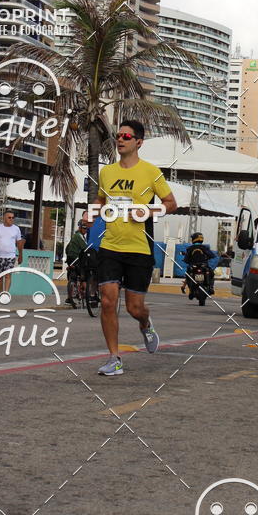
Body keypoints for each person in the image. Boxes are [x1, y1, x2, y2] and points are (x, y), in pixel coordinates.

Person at [90, 120, 177, 376]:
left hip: (139, 248)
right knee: (107, 301)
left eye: (126, 136)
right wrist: (92, 214)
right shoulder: (107, 172)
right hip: (110, 245)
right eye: (118, 136)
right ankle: (114, 358)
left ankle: (145, 323)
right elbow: (101, 199)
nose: (121, 139)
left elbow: (171, 203)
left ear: (138, 142)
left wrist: (148, 210)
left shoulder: (151, 172)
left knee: (134, 308)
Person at [0, 210, 24, 293]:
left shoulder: (16, 229)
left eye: (13, 218)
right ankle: (1, 293)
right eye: (9, 217)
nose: (11, 219)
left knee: (8, 276)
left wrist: (20, 255)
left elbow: (19, 243)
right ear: (4, 218)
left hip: (10, 256)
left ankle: (6, 294)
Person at [65, 215, 89, 306]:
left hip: (70, 259)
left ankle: (69, 297)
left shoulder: (75, 236)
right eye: (84, 228)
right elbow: (85, 248)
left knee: (72, 277)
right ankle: (87, 296)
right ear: (80, 227)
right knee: (84, 275)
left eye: (86, 229)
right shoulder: (79, 236)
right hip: (76, 258)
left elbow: (67, 249)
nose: (85, 230)